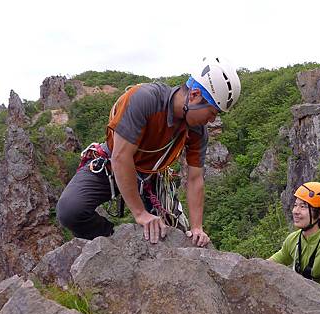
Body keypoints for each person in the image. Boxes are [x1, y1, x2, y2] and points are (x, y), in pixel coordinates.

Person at [56, 57, 241, 247]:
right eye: (211, 112)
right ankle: (113, 242)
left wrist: (196, 228)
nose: (211, 120)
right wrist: (140, 214)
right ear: (194, 95)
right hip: (113, 163)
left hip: (152, 176)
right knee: (70, 211)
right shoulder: (145, 99)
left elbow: (195, 178)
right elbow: (121, 157)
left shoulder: (196, 131)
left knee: (172, 239)